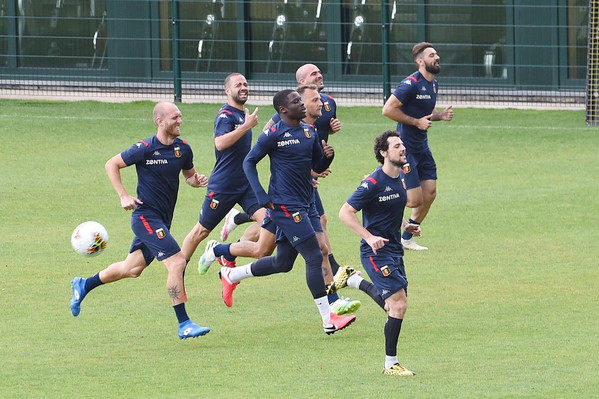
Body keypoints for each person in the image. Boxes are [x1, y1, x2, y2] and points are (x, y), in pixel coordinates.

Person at [201, 84, 364, 315]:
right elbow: (253, 159)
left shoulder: (311, 131)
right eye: (311, 100)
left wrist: (327, 158)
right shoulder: (276, 130)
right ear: (285, 108)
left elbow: (315, 165)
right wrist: (260, 196)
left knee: (280, 259)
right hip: (286, 201)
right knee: (312, 249)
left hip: (305, 195)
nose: (318, 103)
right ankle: (331, 307)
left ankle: (228, 266)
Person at [69, 102, 211, 339]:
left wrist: (196, 181)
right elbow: (111, 164)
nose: (180, 122)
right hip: (145, 217)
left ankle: (84, 284)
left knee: (131, 269)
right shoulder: (145, 148)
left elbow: (188, 176)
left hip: (163, 220)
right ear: (160, 121)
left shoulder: (183, 149)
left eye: (180, 117)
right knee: (177, 262)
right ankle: (184, 323)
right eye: (175, 117)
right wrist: (123, 195)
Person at [338, 130, 421, 376]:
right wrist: (369, 237)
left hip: (394, 249)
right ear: (384, 153)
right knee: (398, 305)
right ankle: (390, 364)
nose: (402, 148)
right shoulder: (372, 183)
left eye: (402, 145)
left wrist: (406, 225)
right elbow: (345, 212)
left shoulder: (399, 179)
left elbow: (390, 209)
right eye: (397, 146)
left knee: (392, 304)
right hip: (376, 252)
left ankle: (352, 279)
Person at [180, 73, 266, 271]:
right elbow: (220, 143)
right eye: (238, 85)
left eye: (245, 84)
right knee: (201, 231)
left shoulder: (243, 115)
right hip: (224, 185)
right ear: (227, 90)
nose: (243, 87)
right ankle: (179, 269)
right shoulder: (225, 115)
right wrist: (246, 126)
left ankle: (225, 250)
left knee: (270, 223)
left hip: (246, 184)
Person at [382, 42, 453, 251]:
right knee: (413, 200)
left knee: (429, 194)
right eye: (432, 55)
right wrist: (415, 122)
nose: (437, 57)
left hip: (423, 147)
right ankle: (377, 196)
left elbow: (426, 114)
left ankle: (405, 239)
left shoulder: (433, 84)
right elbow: (387, 110)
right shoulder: (410, 83)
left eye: (437, 54)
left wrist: (440, 116)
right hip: (406, 149)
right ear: (420, 61)